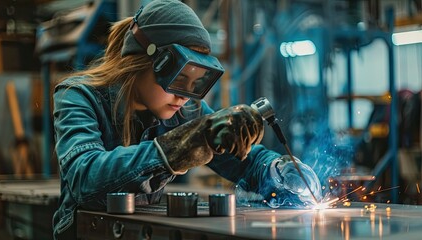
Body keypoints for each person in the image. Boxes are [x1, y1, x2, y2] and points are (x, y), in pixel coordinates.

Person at [52, 0, 321, 239]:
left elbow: (243, 161)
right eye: (179, 79)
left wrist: (276, 169)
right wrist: (174, 150)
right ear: (144, 61)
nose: (184, 97)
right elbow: (84, 178)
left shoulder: (185, 109)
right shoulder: (78, 96)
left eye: (195, 84)